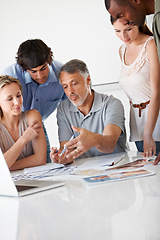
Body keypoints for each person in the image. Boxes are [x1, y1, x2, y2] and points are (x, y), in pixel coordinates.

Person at [104, 0, 160, 164]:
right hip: (137, 123)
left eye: (128, 29)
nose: (124, 36)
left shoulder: (151, 44)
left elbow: (157, 92)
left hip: (155, 122)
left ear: (139, 23)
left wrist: (148, 133)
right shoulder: (122, 50)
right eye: (118, 31)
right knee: (147, 177)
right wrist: (143, 132)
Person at [0, 39, 67, 162]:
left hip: (36, 124)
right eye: (34, 71)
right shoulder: (11, 76)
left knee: (44, 167)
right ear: (24, 69)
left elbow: (71, 108)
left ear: (49, 62)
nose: (40, 76)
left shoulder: (62, 74)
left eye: (43, 68)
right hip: (8, 125)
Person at [50, 59, 127, 165]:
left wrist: (93, 139)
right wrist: (63, 157)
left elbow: (110, 144)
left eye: (74, 84)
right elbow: (67, 149)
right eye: (65, 87)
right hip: (85, 171)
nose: (70, 91)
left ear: (88, 80)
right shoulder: (63, 109)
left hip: (116, 167)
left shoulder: (112, 104)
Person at [0, 75, 47, 171]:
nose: (17, 102)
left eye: (18, 95)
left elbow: (40, 159)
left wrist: (7, 167)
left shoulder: (32, 116)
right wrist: (24, 139)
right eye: (10, 99)